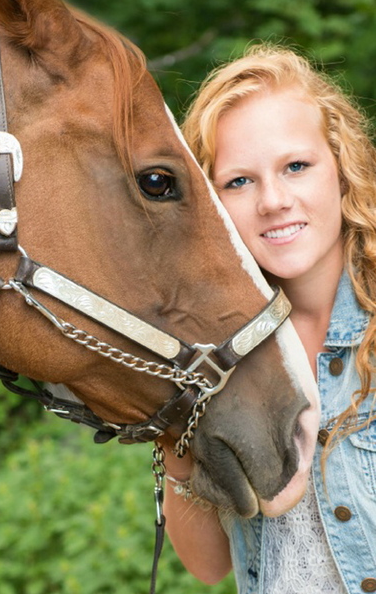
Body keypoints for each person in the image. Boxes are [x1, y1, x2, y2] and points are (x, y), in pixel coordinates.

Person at [161, 44, 376, 594]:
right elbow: (211, 565)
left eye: (296, 166)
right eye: (239, 182)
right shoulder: (211, 353)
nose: (274, 200)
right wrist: (172, 429)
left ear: (343, 168)